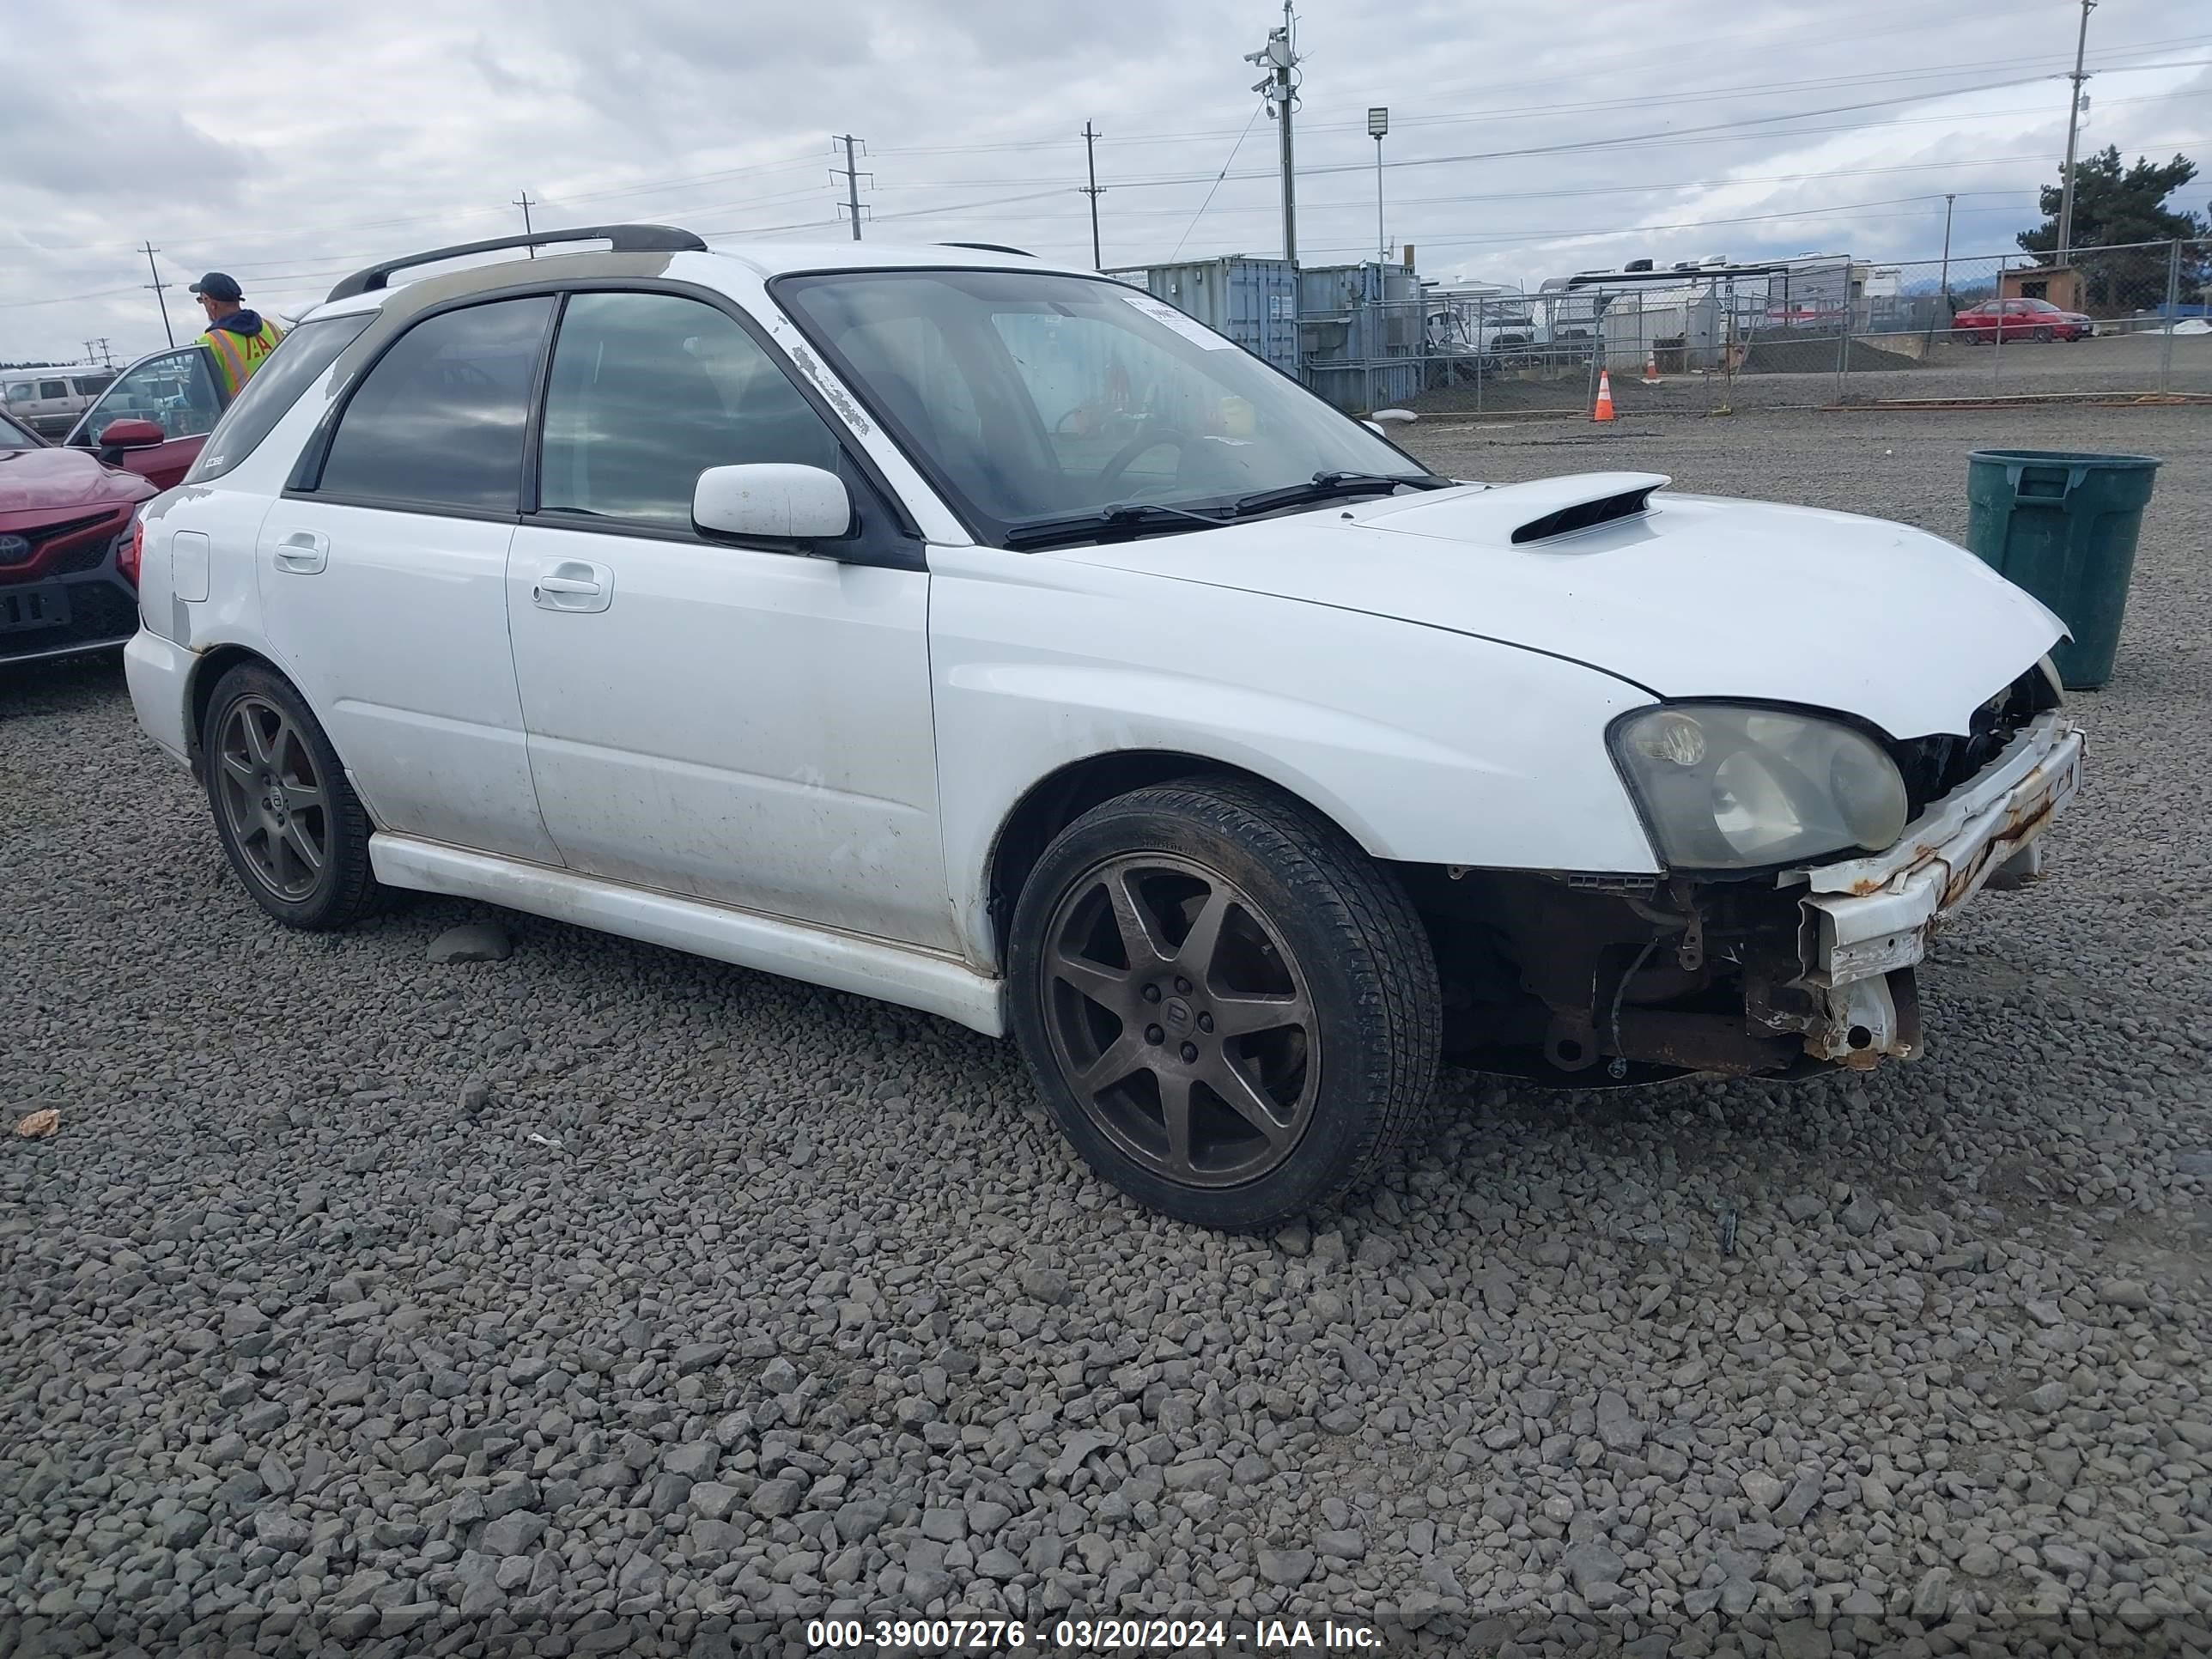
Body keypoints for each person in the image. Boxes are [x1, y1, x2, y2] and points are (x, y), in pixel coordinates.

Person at [190, 272, 285, 396]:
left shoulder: (210, 343)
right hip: (287, 408)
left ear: (210, 303)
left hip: (246, 414)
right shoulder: (272, 327)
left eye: (201, 300)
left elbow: (199, 401)